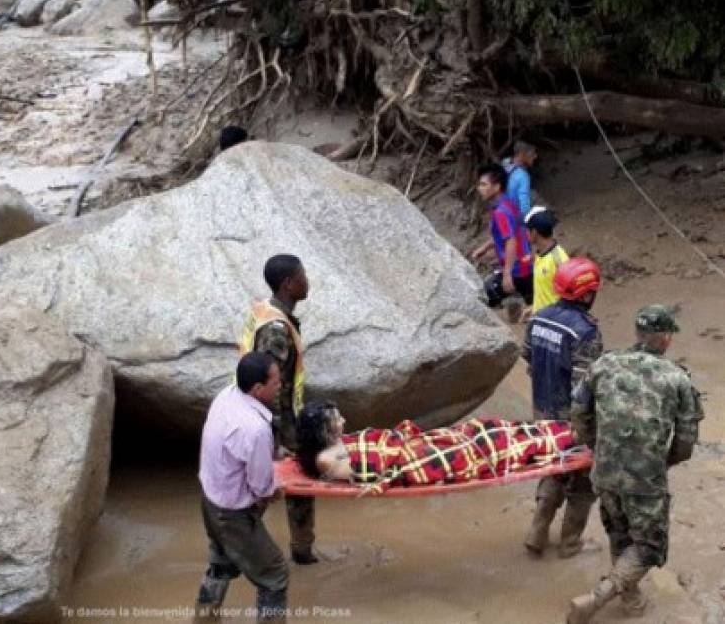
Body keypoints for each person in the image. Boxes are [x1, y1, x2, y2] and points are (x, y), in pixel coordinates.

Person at [566, 305, 704, 624]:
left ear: (638, 333)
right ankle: (598, 597)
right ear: (666, 338)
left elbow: (578, 412)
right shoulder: (677, 377)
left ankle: (631, 599)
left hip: (604, 472)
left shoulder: (603, 364)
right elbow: (685, 441)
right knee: (649, 546)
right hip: (645, 478)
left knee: (619, 532)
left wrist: (597, 447)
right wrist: (661, 462)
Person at [295, 402, 577, 493]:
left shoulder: (332, 446)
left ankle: (559, 430)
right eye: (336, 420)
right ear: (324, 430)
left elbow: (372, 447)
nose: (344, 421)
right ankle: (567, 436)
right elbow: (373, 470)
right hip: (411, 462)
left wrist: (393, 442)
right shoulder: (325, 459)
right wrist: (395, 448)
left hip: (409, 448)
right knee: (490, 446)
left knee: (480, 429)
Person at [195, 352, 289, 623]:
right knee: (275, 574)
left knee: (221, 565)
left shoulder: (225, 396)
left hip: (210, 499)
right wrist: (276, 491)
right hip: (232, 514)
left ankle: (203, 619)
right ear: (258, 389)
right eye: (276, 382)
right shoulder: (256, 428)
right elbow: (261, 487)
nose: (280, 385)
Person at [522, 257, 603, 558]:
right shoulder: (586, 332)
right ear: (586, 294)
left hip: (541, 412)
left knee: (552, 468)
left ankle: (537, 530)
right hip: (570, 419)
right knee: (582, 482)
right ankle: (569, 543)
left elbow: (527, 357)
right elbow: (585, 387)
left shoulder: (539, 317)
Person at [240, 254, 317, 565]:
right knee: (270, 487)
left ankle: (302, 551)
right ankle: (235, 546)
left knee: (296, 487)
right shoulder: (275, 328)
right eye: (303, 276)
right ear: (289, 284)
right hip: (277, 424)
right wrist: (274, 441)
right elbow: (270, 388)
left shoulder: (267, 313)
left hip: (282, 421)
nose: (307, 281)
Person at [470, 164, 534, 310]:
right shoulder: (508, 204)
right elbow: (506, 234)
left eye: (484, 184)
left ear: (497, 187)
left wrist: (507, 274)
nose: (479, 188)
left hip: (518, 269)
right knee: (534, 303)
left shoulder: (500, 213)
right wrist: (484, 248)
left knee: (487, 296)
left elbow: (510, 240)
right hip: (526, 263)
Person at [525, 206, 569, 317]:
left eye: (527, 230)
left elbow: (569, 297)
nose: (525, 233)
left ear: (534, 232)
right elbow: (546, 291)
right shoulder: (540, 255)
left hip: (553, 322)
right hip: (540, 319)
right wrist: (534, 308)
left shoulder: (559, 260)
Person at [503, 140, 536, 218]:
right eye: (532, 153)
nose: (535, 156)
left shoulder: (505, 164)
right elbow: (524, 205)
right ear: (522, 155)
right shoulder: (522, 175)